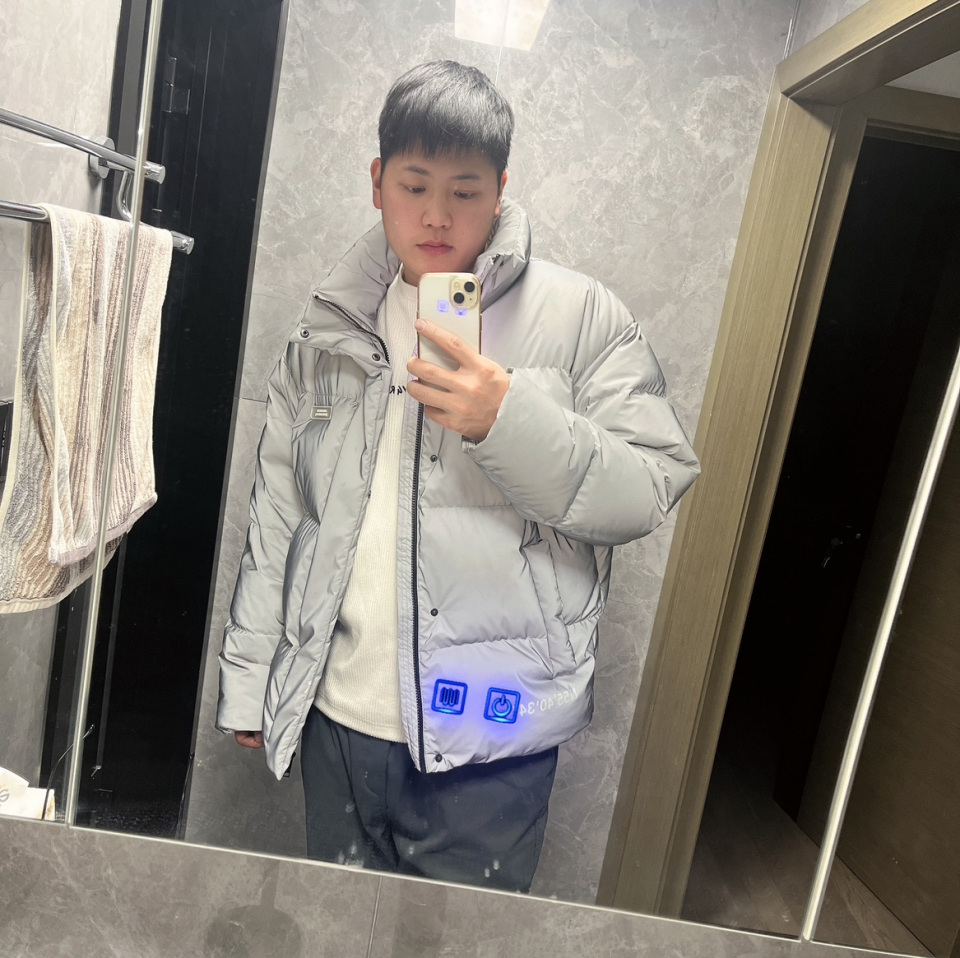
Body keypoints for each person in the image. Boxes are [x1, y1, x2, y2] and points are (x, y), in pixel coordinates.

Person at [217, 59, 699, 893]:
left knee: (455, 943)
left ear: (501, 191)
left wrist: (506, 420)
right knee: (339, 932)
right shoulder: (330, 324)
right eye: (414, 186)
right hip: (337, 719)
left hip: (490, 737)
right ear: (377, 182)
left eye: (465, 191)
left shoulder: (582, 317)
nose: (437, 215)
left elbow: (649, 487)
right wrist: (253, 677)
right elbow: (283, 513)